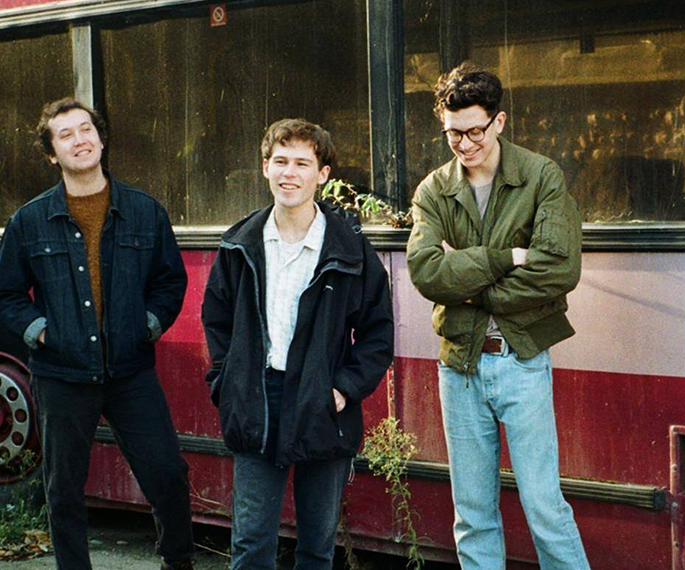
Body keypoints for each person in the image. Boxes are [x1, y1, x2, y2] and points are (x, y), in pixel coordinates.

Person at [406, 62, 590, 570]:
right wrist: (506, 258)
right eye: (453, 134)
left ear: (499, 121)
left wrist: (469, 288)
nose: (464, 145)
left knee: (544, 507)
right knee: (472, 514)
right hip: (459, 366)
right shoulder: (433, 190)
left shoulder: (541, 175)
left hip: (522, 359)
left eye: (475, 131)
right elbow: (426, 272)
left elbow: (559, 269)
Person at [0, 98, 193, 570]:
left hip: (131, 370)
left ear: (101, 139)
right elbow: (6, 295)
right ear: (52, 154)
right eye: (65, 135)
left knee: (168, 474)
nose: (80, 140)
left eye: (86, 129)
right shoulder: (29, 221)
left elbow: (170, 282)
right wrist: (42, 333)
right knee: (63, 490)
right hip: (61, 375)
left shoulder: (145, 212)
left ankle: (178, 561)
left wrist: (147, 325)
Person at [201, 118, 393, 569]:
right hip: (256, 400)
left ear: (322, 174)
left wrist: (343, 389)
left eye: (302, 163)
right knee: (251, 545)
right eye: (281, 161)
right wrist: (228, 382)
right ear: (265, 168)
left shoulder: (350, 249)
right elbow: (217, 322)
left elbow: (378, 332)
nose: (290, 173)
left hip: (323, 402)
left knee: (316, 549)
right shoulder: (239, 245)